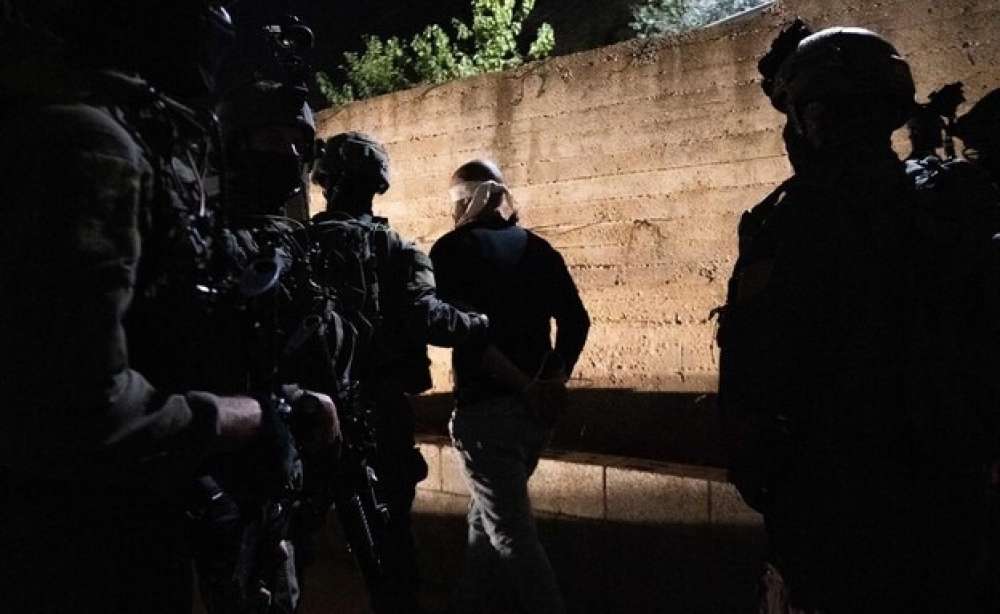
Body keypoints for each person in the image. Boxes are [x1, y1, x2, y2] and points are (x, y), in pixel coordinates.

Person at [0, 3, 337, 613]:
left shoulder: (110, 133)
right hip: (80, 546)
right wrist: (244, 418)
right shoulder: (87, 140)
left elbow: (171, 335)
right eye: (273, 139)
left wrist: (278, 400)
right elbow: (83, 405)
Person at [718, 26, 999, 613]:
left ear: (815, 119)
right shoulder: (945, 208)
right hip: (948, 512)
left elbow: (757, 376)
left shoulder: (792, 225)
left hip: (836, 520)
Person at [311, 132, 490, 613]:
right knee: (390, 548)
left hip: (310, 414)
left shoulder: (297, 245)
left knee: (292, 543)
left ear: (326, 183)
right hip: (378, 416)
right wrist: (480, 322)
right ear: (377, 185)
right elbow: (429, 319)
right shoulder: (397, 250)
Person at [429, 159, 590, 614]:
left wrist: (524, 386)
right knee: (486, 519)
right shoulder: (539, 249)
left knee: (510, 535)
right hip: (535, 419)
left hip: (487, 416)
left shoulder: (452, 250)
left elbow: (467, 334)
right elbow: (576, 320)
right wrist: (552, 379)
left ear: (463, 201)